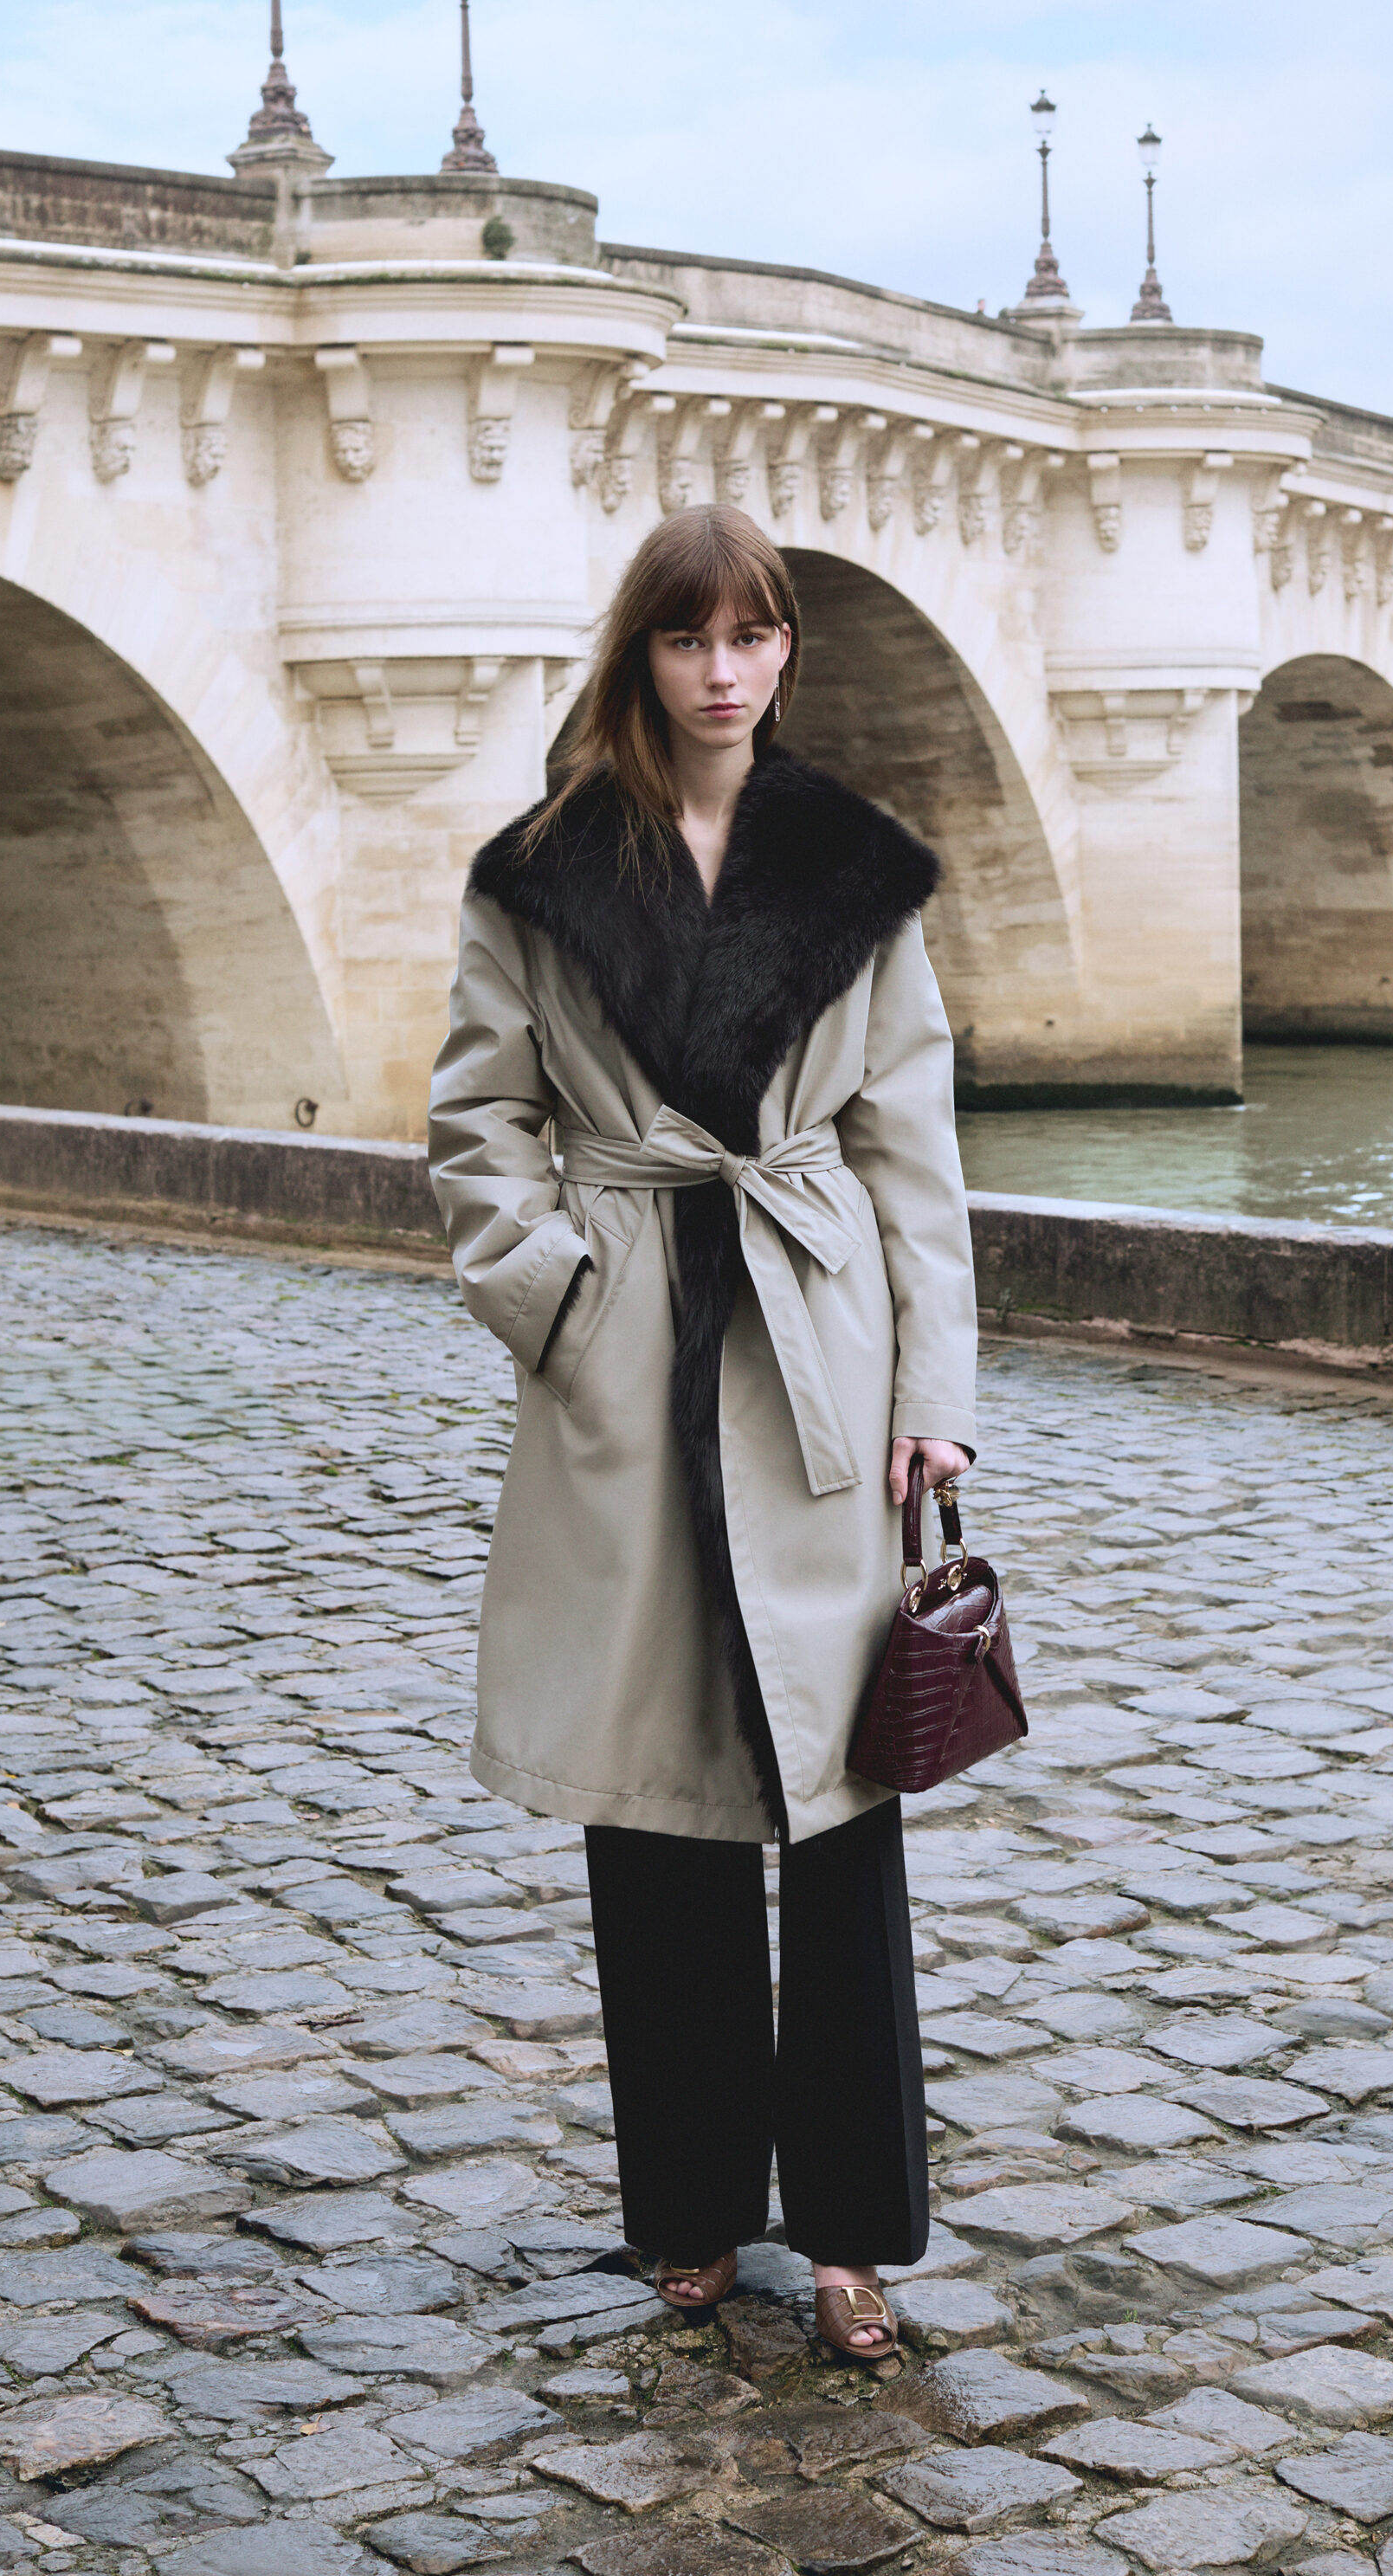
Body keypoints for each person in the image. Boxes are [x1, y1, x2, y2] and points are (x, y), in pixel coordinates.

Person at [429, 503, 977, 2364]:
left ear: (785, 650)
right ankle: (683, 2209)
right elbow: (477, 1118)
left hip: (813, 1351)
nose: (722, 670)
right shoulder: (538, 874)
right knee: (653, 1803)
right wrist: (555, 1292)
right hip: (630, 1349)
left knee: (837, 1805)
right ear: (641, 655)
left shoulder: (855, 873)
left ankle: (850, 2233)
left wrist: (933, 1397)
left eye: (751, 635)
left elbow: (912, 1150)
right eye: (688, 638)